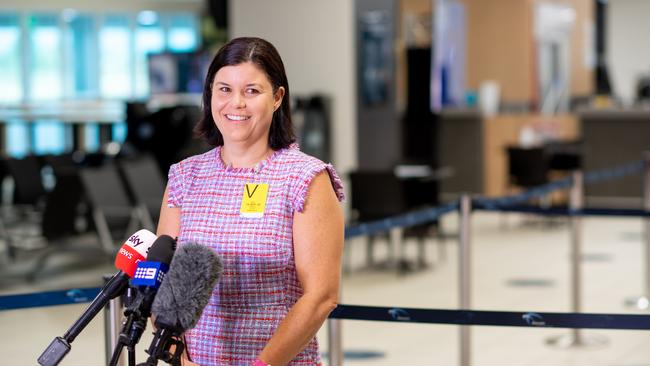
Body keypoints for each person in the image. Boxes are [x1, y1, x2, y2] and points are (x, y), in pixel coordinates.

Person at [156, 37, 345, 366]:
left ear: (277, 98)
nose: (236, 103)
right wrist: (180, 359)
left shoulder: (305, 178)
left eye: (252, 91)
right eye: (224, 89)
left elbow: (321, 297)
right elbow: (164, 283)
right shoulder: (186, 177)